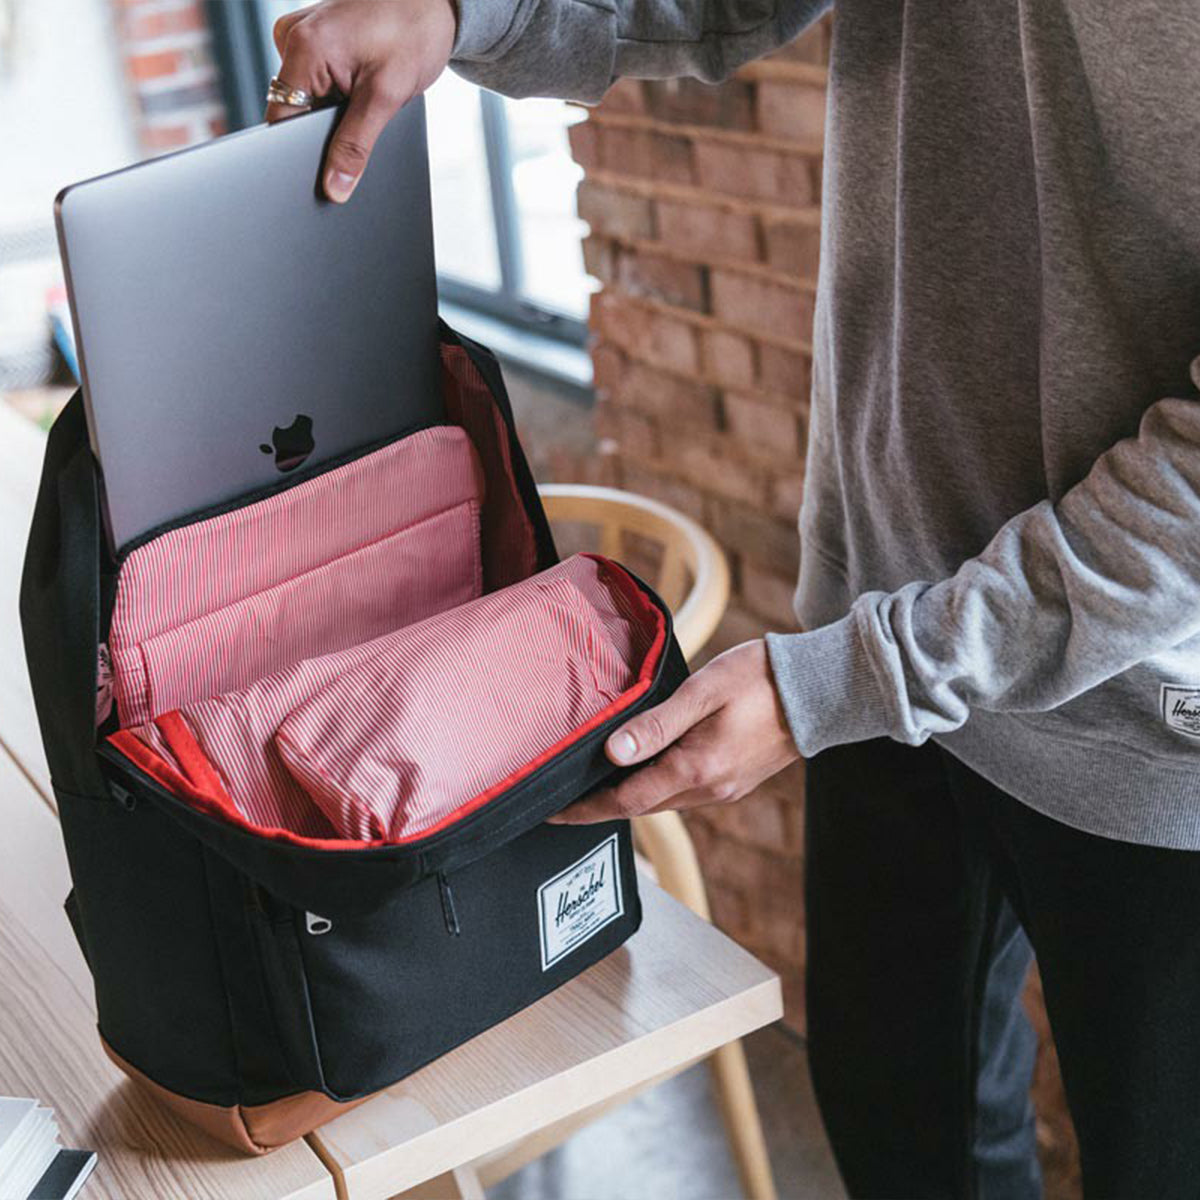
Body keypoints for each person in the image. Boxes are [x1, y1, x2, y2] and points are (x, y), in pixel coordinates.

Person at [266, 3, 1200, 1196]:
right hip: (887, 636)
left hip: (1147, 714)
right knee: (902, 1146)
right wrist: (459, 14)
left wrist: (866, 673)